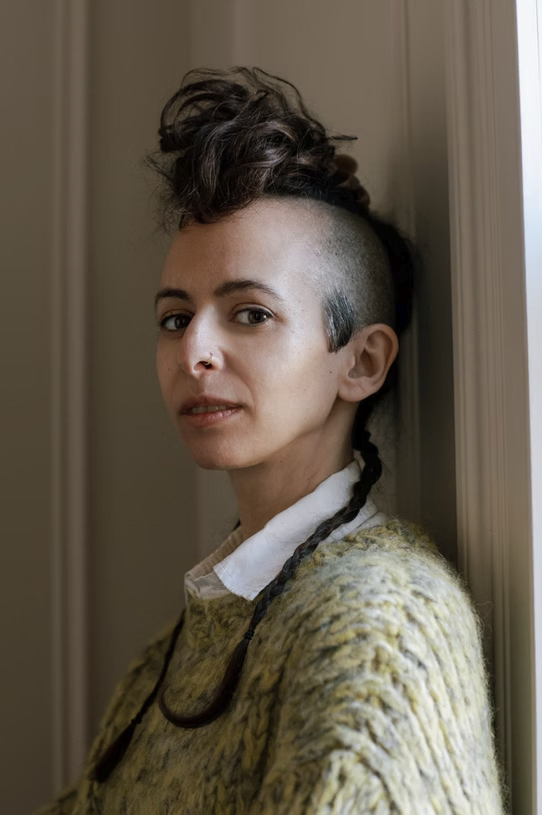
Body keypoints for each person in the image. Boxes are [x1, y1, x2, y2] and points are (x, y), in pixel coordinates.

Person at [37, 67, 505, 814]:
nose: (194, 351)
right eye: (175, 318)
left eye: (250, 313)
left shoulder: (381, 628)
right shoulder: (172, 655)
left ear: (362, 361)